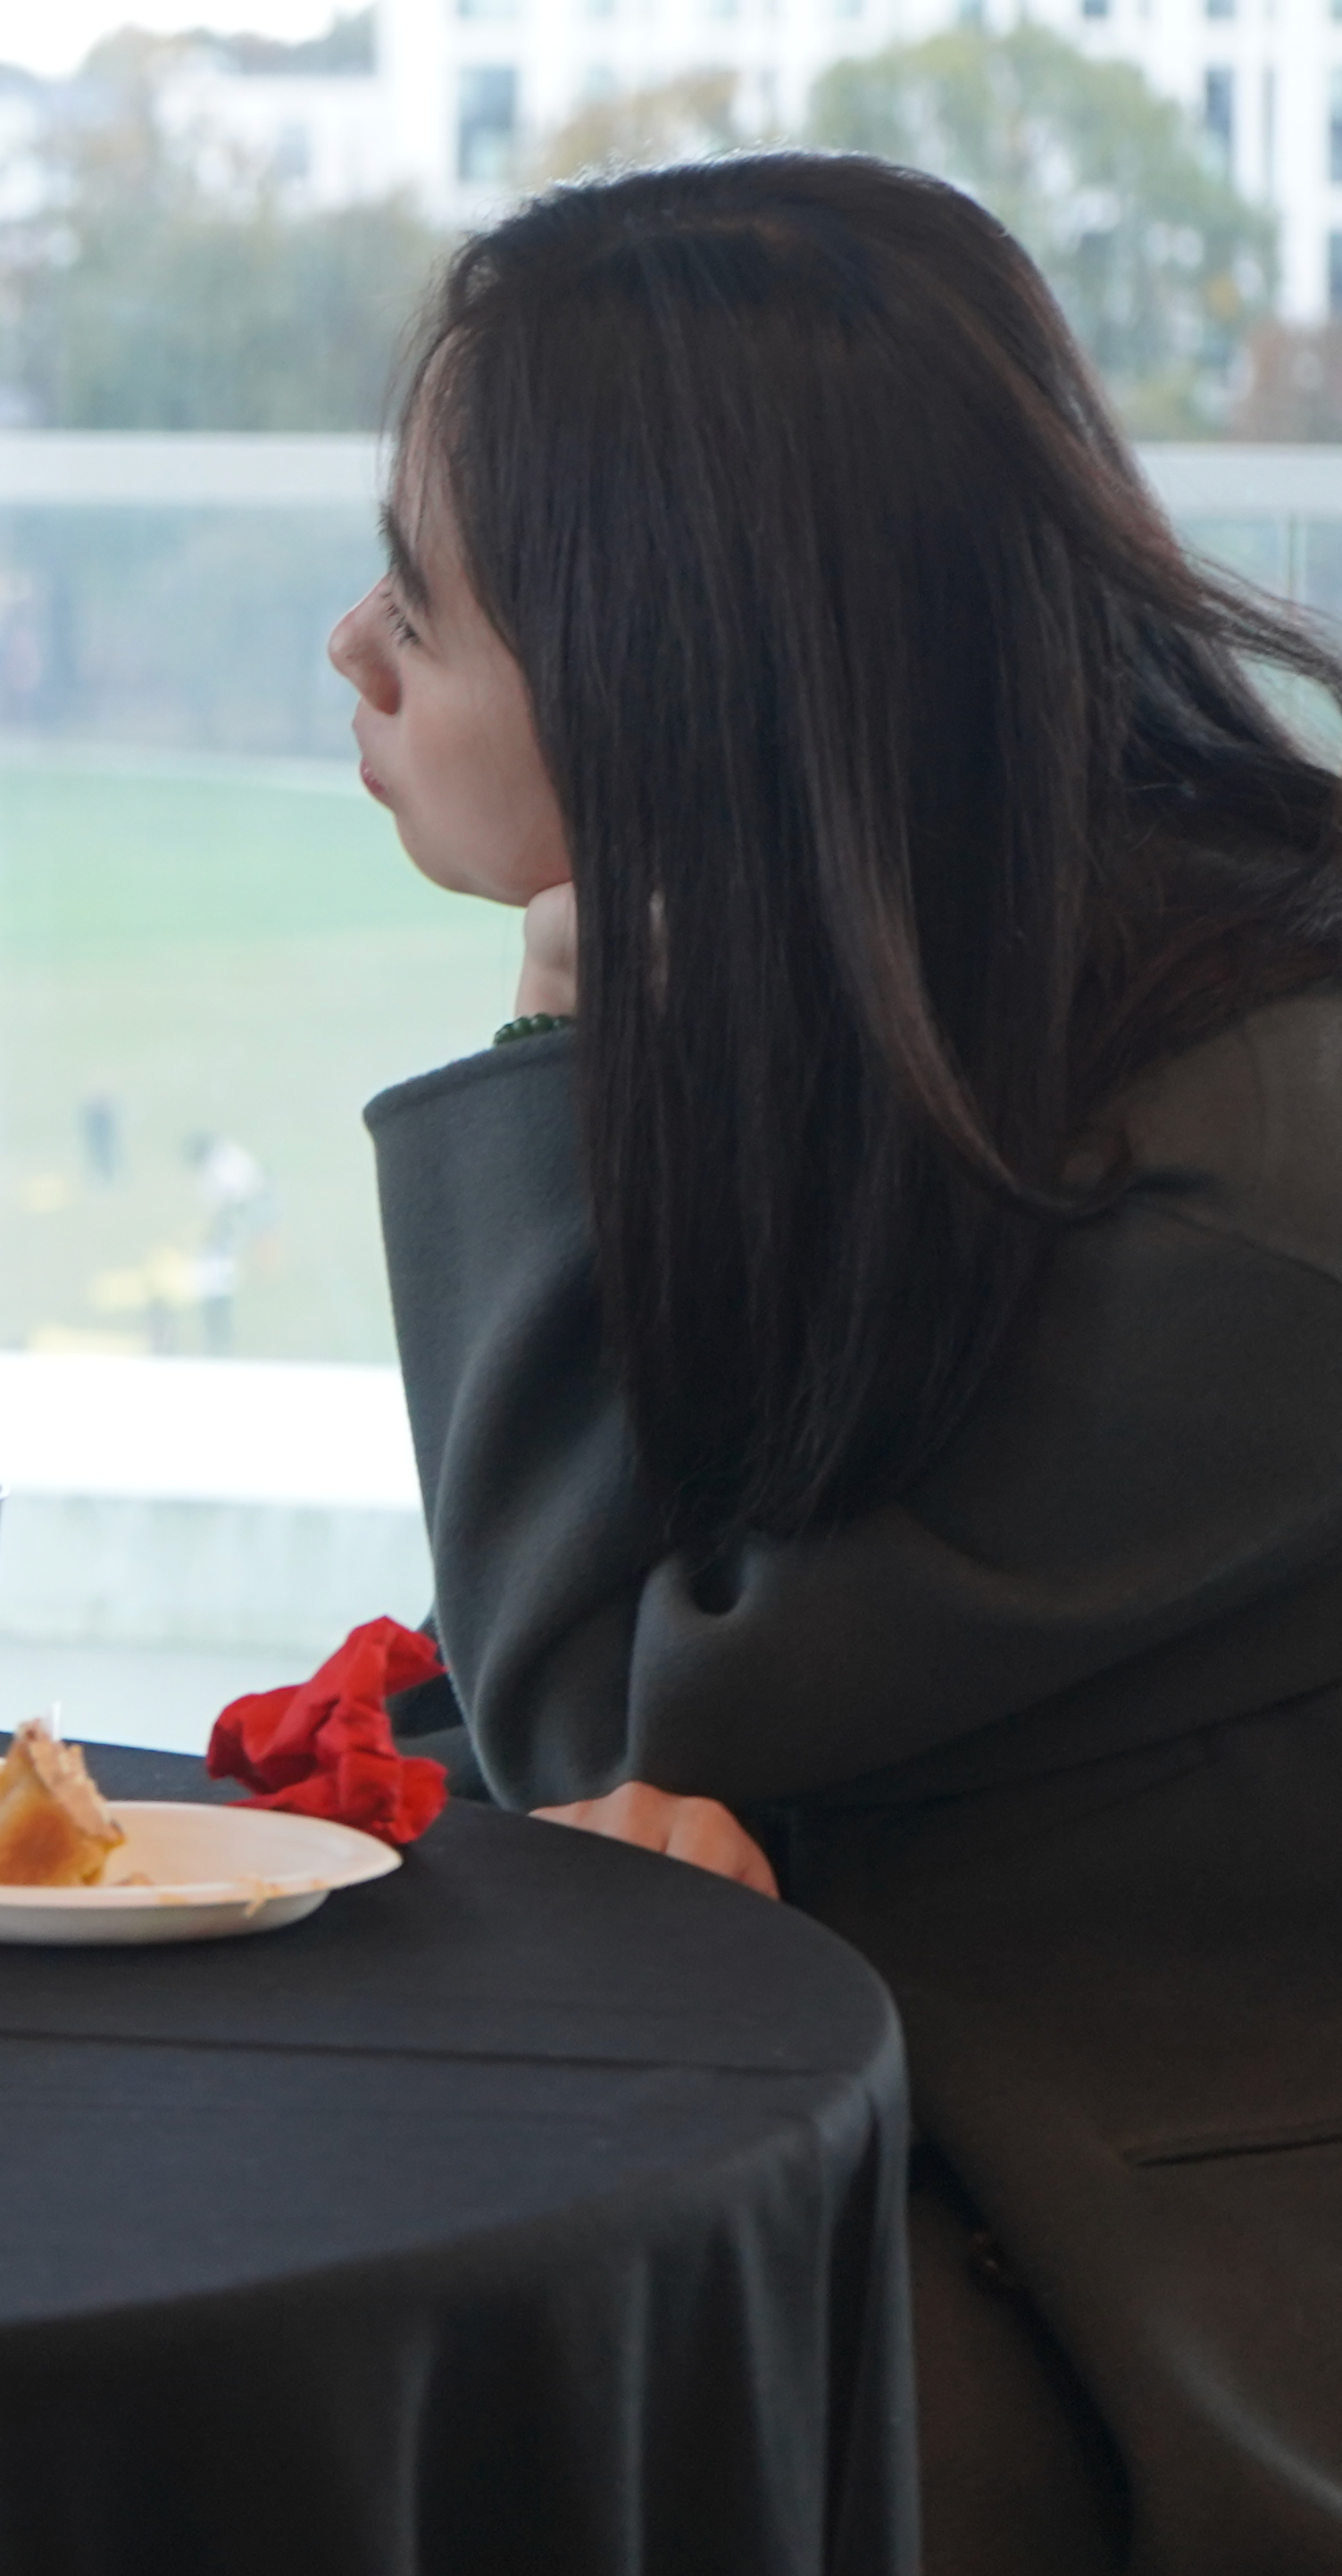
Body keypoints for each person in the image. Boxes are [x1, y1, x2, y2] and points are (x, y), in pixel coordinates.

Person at [331, 149, 1342, 2572]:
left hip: (1161, 2293)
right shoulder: (974, 985)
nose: (353, 653)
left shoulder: (1267, 1184)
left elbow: (611, 1707)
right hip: (938, 2137)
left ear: (675, 652)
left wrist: (565, 1011)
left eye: (426, 598)